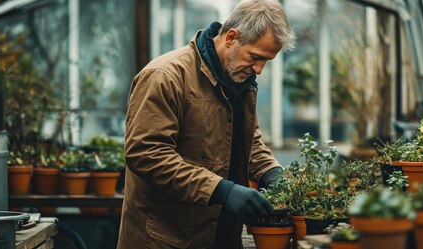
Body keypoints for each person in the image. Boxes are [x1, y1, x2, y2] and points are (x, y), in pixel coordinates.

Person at [117, 0, 295, 247]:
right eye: (256, 57)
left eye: (267, 61)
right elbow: (146, 153)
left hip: (220, 235)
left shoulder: (239, 81)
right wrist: (222, 190)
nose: (260, 70)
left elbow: (247, 139)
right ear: (231, 38)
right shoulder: (166, 76)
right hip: (166, 239)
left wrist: (272, 173)